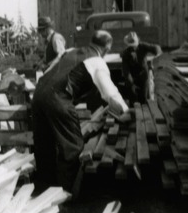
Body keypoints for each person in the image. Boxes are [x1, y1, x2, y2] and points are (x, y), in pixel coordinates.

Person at [31, 30, 129, 192]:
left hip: (39, 94)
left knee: (45, 145)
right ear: (107, 47)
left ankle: (42, 190)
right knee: (73, 146)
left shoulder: (69, 51)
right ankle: (63, 196)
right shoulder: (97, 62)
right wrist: (125, 110)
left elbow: (48, 71)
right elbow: (109, 93)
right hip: (58, 99)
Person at [120, 31, 162, 104]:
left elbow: (155, 48)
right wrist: (131, 82)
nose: (133, 47)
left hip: (143, 75)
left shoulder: (142, 46)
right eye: (131, 45)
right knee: (132, 98)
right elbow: (125, 69)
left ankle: (144, 110)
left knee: (143, 97)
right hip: (132, 76)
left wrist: (157, 52)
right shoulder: (125, 53)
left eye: (134, 45)